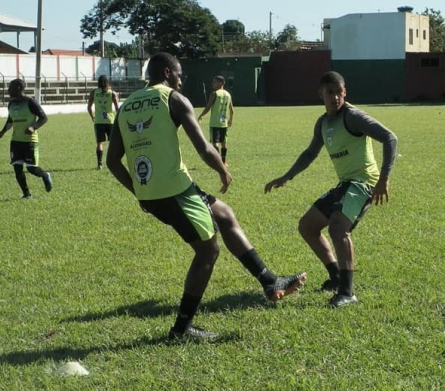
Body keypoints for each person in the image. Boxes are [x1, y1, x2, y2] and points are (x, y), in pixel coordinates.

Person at [107, 52, 306, 341]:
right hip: (174, 191)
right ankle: (182, 328)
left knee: (224, 214)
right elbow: (204, 148)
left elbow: (113, 161)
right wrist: (223, 170)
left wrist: (140, 192)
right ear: (166, 73)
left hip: (159, 192)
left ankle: (269, 281)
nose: (181, 80)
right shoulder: (172, 99)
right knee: (208, 251)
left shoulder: (126, 106)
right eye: (179, 75)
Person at [264, 71, 397, 308]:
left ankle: (347, 292)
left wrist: (383, 179)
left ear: (345, 92)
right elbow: (310, 153)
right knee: (307, 226)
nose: (335, 97)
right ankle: (335, 276)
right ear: (321, 95)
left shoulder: (353, 117)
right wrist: (287, 176)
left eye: (339, 92)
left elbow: (390, 138)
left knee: (338, 229)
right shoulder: (323, 123)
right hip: (345, 184)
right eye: (330, 92)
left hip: (363, 183)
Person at [0, 79, 53, 199]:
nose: (8, 90)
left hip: (29, 141)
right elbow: (10, 120)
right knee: (17, 169)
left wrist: (33, 127)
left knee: (32, 168)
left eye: (10, 87)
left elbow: (44, 118)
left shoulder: (30, 102)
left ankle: (45, 175)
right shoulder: (11, 104)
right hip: (16, 141)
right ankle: (26, 194)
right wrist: (3, 131)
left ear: (18, 88)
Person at [197, 76, 234, 164]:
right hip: (224, 123)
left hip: (215, 123)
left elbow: (208, 107)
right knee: (224, 142)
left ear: (221, 83)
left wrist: (201, 115)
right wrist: (230, 120)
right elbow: (232, 110)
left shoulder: (214, 94)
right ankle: (224, 161)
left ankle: (218, 163)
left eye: (214, 82)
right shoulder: (228, 94)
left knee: (215, 143)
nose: (212, 84)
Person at [87, 75, 120, 170]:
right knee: (113, 143)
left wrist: (92, 116)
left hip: (99, 122)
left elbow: (89, 107)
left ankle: (100, 164)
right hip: (110, 121)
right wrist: (119, 118)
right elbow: (117, 108)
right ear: (107, 82)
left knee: (99, 143)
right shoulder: (112, 93)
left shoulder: (94, 93)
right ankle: (114, 162)